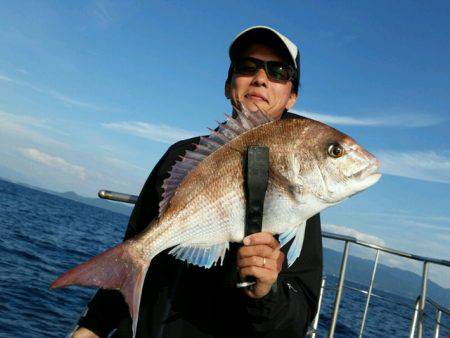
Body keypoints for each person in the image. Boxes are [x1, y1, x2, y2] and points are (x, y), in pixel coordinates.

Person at [73, 26, 323, 338]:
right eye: (247, 67)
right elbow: (132, 251)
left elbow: (296, 318)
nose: (260, 77)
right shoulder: (180, 156)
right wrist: (91, 327)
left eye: (278, 71)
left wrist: (266, 292)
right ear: (228, 84)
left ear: (292, 97)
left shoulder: (297, 187)